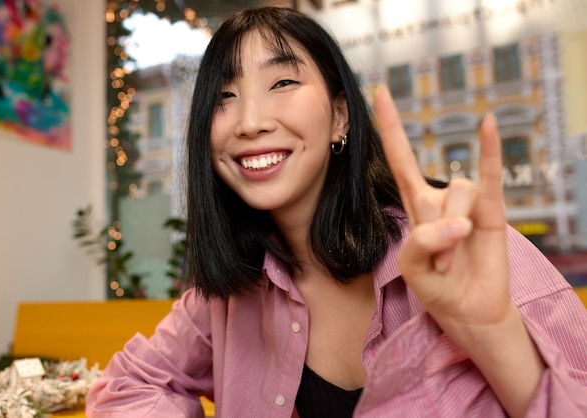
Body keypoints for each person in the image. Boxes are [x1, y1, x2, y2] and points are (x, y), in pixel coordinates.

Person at [86, 6, 587, 417]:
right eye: (224, 97)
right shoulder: (236, 285)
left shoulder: (456, 249)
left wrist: (495, 333)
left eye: (282, 83)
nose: (251, 121)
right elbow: (127, 386)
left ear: (339, 115)